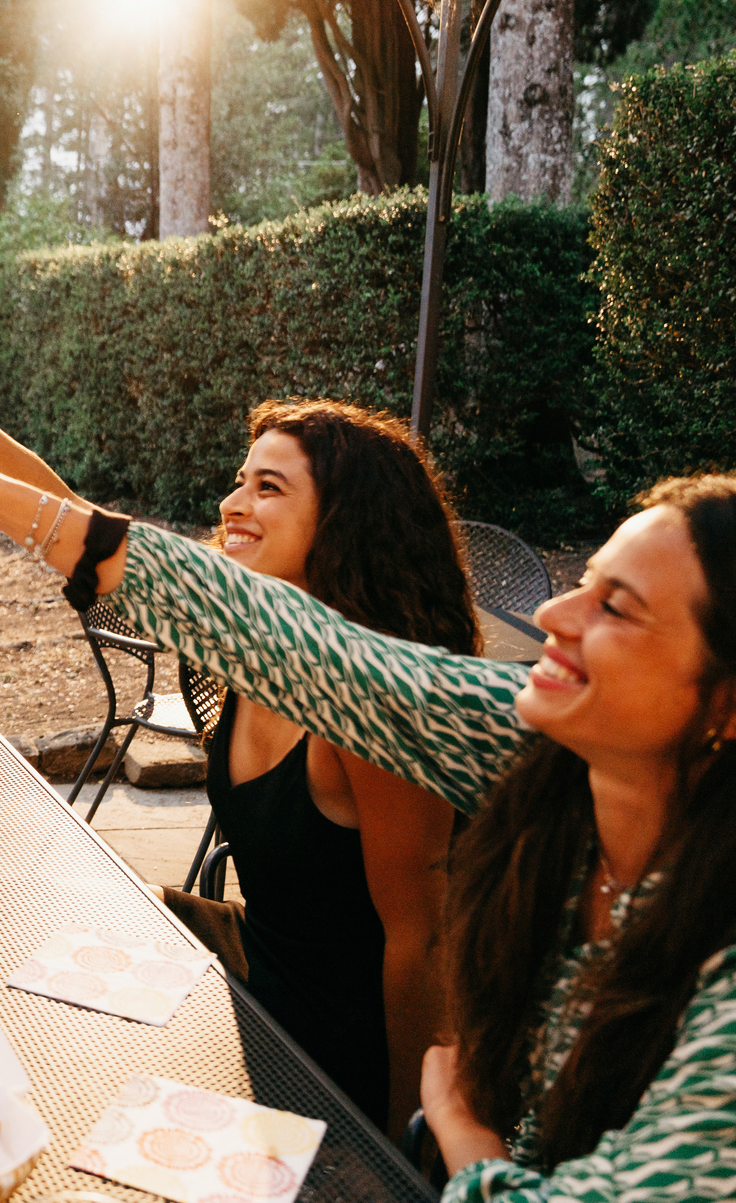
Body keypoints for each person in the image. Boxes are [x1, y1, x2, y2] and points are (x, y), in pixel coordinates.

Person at [0, 400, 736, 1200]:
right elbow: (287, 636)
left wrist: (454, 1138)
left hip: (354, 1085)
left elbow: (417, 949)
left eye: (616, 609)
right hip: (269, 1005)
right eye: (584, 585)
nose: (553, 616)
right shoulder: (531, 743)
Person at [163, 399, 471, 1138]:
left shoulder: (371, 704)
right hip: (260, 986)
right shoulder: (256, 650)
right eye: (241, 481)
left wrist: (403, 1145)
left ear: (345, 521)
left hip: (340, 1052)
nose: (232, 504)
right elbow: (76, 526)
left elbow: (422, 942)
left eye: (269, 487)